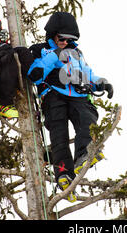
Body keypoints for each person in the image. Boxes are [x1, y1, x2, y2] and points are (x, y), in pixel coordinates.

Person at [27, 12, 114, 202]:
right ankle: (63, 172)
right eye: (61, 38)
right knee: (59, 133)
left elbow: (88, 73)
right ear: (52, 34)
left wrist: (102, 83)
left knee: (87, 119)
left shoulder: (77, 53)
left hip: (78, 96)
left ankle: (84, 154)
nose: (65, 42)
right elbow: (34, 74)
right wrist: (55, 56)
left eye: (70, 39)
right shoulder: (41, 50)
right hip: (52, 95)